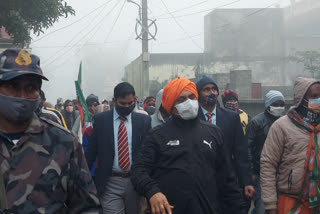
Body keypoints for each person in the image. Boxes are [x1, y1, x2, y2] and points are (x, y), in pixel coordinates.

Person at [0, 48, 100, 213]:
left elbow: (88, 207)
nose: (22, 96)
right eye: (12, 86)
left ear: (39, 93)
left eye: (31, 87)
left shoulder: (65, 143)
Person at [131, 76, 244, 214]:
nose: (188, 102)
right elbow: (139, 170)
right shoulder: (157, 135)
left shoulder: (213, 133)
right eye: (181, 99)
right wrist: (153, 192)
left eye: (191, 97)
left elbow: (227, 179)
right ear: (171, 107)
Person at [85, 82, 151, 214]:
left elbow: (148, 153)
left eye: (130, 103)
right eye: (123, 103)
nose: (127, 107)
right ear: (114, 101)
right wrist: (83, 178)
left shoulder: (143, 121)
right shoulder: (101, 120)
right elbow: (91, 152)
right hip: (109, 181)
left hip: (135, 181)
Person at [260, 77, 320, 214]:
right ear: (301, 98)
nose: (318, 100)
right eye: (314, 96)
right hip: (290, 202)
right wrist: (270, 204)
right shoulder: (282, 126)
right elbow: (268, 164)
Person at [196, 75, 254, 213]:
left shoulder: (232, 118)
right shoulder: (193, 118)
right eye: (206, 89)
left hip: (227, 180)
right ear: (198, 94)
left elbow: (241, 153)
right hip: (200, 181)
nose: (211, 93)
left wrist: (246, 182)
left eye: (214, 89)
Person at [248, 90, 285, 214]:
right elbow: (248, 147)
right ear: (268, 104)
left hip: (282, 172)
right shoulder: (256, 122)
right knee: (261, 207)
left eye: (281, 104)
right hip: (261, 172)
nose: (279, 107)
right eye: (276, 104)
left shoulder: (286, 123)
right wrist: (252, 170)